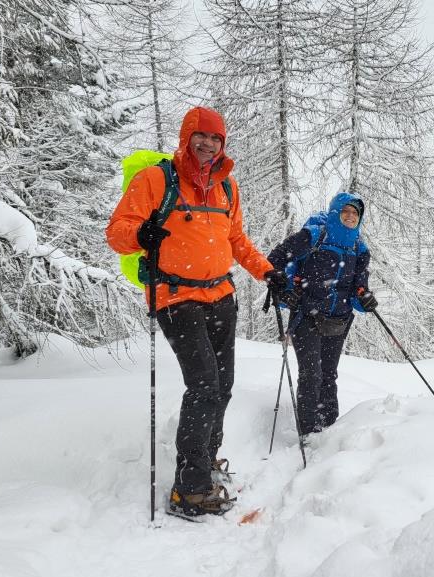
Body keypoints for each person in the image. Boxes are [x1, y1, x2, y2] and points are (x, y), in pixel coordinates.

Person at [106, 106, 287, 519]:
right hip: (175, 297)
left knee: (222, 385)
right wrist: (140, 233)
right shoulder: (156, 180)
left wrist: (268, 272)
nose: (207, 144)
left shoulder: (227, 187)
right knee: (204, 385)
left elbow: (237, 240)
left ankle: (205, 460)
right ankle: (189, 491)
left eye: (215, 138)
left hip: (220, 295)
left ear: (223, 143)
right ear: (186, 137)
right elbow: (117, 232)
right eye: (200, 136)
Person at [267, 192, 378, 437]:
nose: (350, 216)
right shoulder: (314, 236)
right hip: (306, 316)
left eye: (355, 213)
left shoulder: (359, 249)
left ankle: (328, 432)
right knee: (311, 375)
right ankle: (308, 434)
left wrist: (365, 299)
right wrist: (285, 290)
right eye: (346, 211)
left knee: (328, 375)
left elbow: (358, 289)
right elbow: (275, 259)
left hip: (339, 321)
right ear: (335, 212)